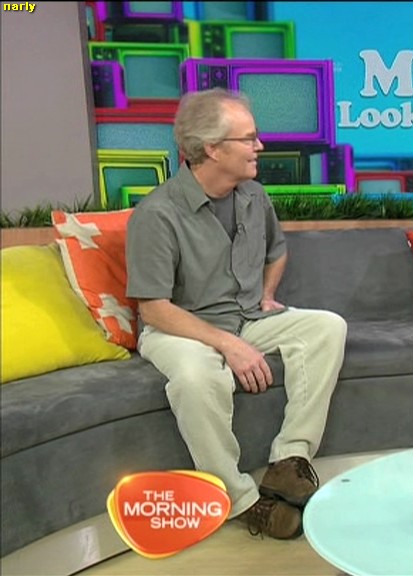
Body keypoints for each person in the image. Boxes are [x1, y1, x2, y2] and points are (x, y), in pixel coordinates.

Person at [126, 88, 348, 540]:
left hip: (247, 317)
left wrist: (266, 294)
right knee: (195, 379)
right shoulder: (157, 213)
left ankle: (289, 460)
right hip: (180, 328)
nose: (259, 147)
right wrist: (228, 344)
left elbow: (276, 252)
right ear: (212, 148)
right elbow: (154, 308)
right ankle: (241, 501)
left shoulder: (253, 195)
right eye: (248, 139)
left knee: (327, 327)